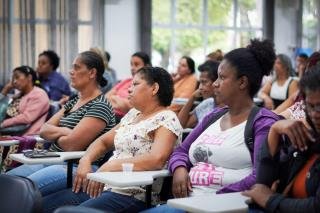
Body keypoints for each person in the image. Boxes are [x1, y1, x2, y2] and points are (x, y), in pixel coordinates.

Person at [143, 39, 280, 213]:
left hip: (227, 206)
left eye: (222, 77)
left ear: (242, 82)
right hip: (187, 204)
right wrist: (179, 168)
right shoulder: (214, 116)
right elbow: (181, 151)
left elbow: (259, 179)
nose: (215, 83)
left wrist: (215, 198)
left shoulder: (263, 123)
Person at [42, 66, 183, 213]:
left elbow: (156, 159)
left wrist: (110, 166)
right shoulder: (133, 114)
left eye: (135, 84)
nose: (129, 89)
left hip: (133, 193)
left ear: (154, 88)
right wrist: (86, 160)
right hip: (106, 184)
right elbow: (103, 142)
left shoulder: (166, 118)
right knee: (43, 204)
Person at [7, 51, 116, 196]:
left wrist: (59, 133)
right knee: (6, 182)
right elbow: (43, 130)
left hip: (74, 165)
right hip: (51, 158)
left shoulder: (100, 105)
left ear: (92, 73)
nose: (71, 72)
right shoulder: (73, 101)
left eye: (77, 68)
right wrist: (67, 132)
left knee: (16, 191)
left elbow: (71, 145)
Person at [242, 63, 320, 213]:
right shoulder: (308, 141)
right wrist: (274, 131)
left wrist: (270, 200)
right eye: (310, 106)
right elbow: (263, 185)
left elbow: (316, 207)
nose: (315, 114)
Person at [0, 66, 49, 135]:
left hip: (26, 137)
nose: (14, 81)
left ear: (29, 77)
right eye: (13, 79)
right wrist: (5, 90)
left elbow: (27, 118)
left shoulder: (39, 94)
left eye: (17, 77)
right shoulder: (19, 95)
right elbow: (2, 110)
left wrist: (3, 123)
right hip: (10, 132)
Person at [106, 52, 151, 122]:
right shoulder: (126, 81)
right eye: (131, 64)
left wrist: (114, 98)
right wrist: (121, 102)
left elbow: (132, 107)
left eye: (136, 64)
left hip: (124, 119)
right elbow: (106, 97)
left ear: (147, 66)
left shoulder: (146, 85)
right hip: (109, 114)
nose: (132, 68)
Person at [178, 60, 222, 128]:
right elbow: (180, 125)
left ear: (216, 82)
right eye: (200, 82)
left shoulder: (227, 109)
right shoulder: (207, 103)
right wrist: (192, 98)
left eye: (204, 82)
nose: (200, 87)